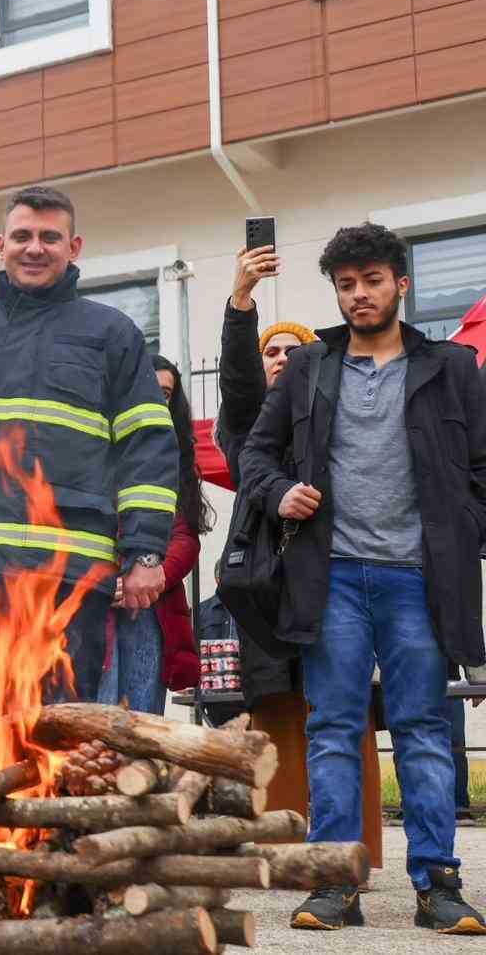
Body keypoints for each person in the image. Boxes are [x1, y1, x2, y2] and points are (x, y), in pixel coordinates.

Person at [0, 185, 178, 794]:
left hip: (71, 576)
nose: (35, 248)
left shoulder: (113, 334)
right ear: (0, 245)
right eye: (22, 236)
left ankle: (47, 875)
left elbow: (148, 446)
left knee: (57, 731)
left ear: (74, 248)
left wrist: (146, 553)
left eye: (49, 237)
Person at [241, 223, 486, 935]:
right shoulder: (312, 367)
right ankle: (332, 885)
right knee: (334, 728)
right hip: (334, 576)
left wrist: (463, 525)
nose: (359, 295)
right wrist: (280, 491)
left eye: (372, 281)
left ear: (400, 284)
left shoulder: (451, 368)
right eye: (346, 285)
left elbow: (482, 466)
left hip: (418, 577)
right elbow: (258, 453)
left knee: (423, 730)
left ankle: (439, 886)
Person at [215, 246, 385, 864]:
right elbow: (235, 380)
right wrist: (241, 303)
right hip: (268, 581)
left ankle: (354, 843)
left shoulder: (335, 411)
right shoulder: (244, 423)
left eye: (294, 350)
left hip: (339, 574)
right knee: (279, 706)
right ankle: (284, 846)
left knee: (341, 700)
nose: (282, 359)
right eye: (271, 351)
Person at [95, 357, 209, 714]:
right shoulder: (92, 446)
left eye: (165, 394)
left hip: (151, 608)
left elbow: (186, 536)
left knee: (143, 725)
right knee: (95, 725)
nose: (156, 401)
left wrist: (156, 575)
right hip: (95, 607)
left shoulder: (178, 460)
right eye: (149, 390)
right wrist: (102, 581)